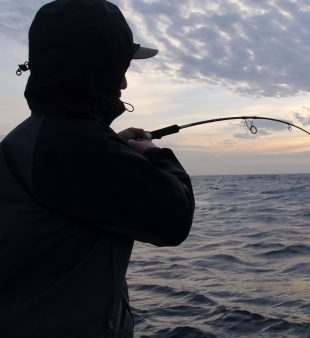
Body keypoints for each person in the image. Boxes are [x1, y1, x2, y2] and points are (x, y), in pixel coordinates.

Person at [0, 0, 195, 337]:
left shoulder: (37, 139)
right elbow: (174, 216)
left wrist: (113, 146)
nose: (123, 84)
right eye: (120, 67)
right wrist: (153, 153)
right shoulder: (75, 149)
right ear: (97, 69)